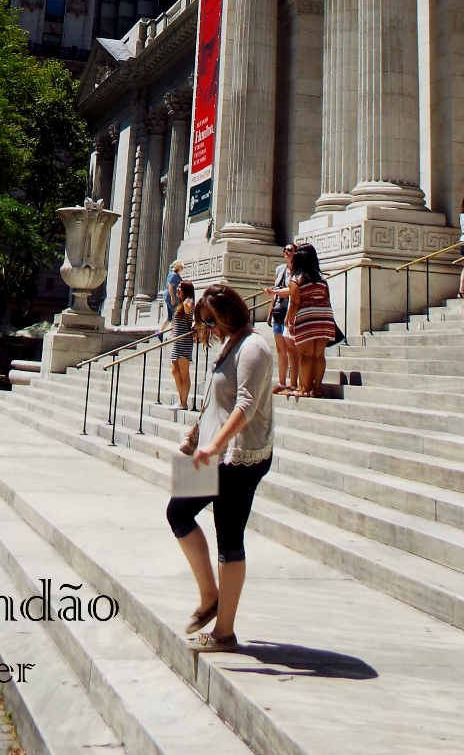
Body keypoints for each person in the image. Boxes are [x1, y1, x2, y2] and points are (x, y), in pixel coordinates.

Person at [166, 283, 274, 654]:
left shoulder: (254, 346)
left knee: (229, 537)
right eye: (203, 322)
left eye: (210, 320)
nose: (207, 329)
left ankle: (224, 631)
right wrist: (197, 436)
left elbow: (245, 404)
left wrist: (215, 444)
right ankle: (209, 596)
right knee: (177, 512)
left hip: (240, 457)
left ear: (230, 312)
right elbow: (218, 400)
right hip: (211, 451)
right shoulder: (229, 345)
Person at [286, 244, 338, 397]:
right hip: (324, 316)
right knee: (319, 355)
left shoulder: (296, 279)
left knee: (306, 355)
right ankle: (317, 389)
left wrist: (289, 321)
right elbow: (327, 296)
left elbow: (295, 302)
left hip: (306, 318)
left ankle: (305, 388)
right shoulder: (321, 278)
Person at [268, 243, 297, 395]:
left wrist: (275, 292)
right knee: (280, 349)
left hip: (289, 311)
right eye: (285, 249)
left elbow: (291, 292)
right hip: (278, 311)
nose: (286, 251)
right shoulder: (280, 269)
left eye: (290, 250)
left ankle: (293, 383)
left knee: (291, 348)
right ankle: (281, 382)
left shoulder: (297, 271)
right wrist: (270, 310)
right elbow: (276, 292)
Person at [169, 280, 196, 410]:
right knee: (175, 371)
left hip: (185, 341)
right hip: (177, 341)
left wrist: (188, 306)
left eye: (180, 287)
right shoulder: (181, 304)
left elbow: (190, 311)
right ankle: (181, 399)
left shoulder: (188, 302)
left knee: (184, 373)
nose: (177, 289)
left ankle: (183, 402)